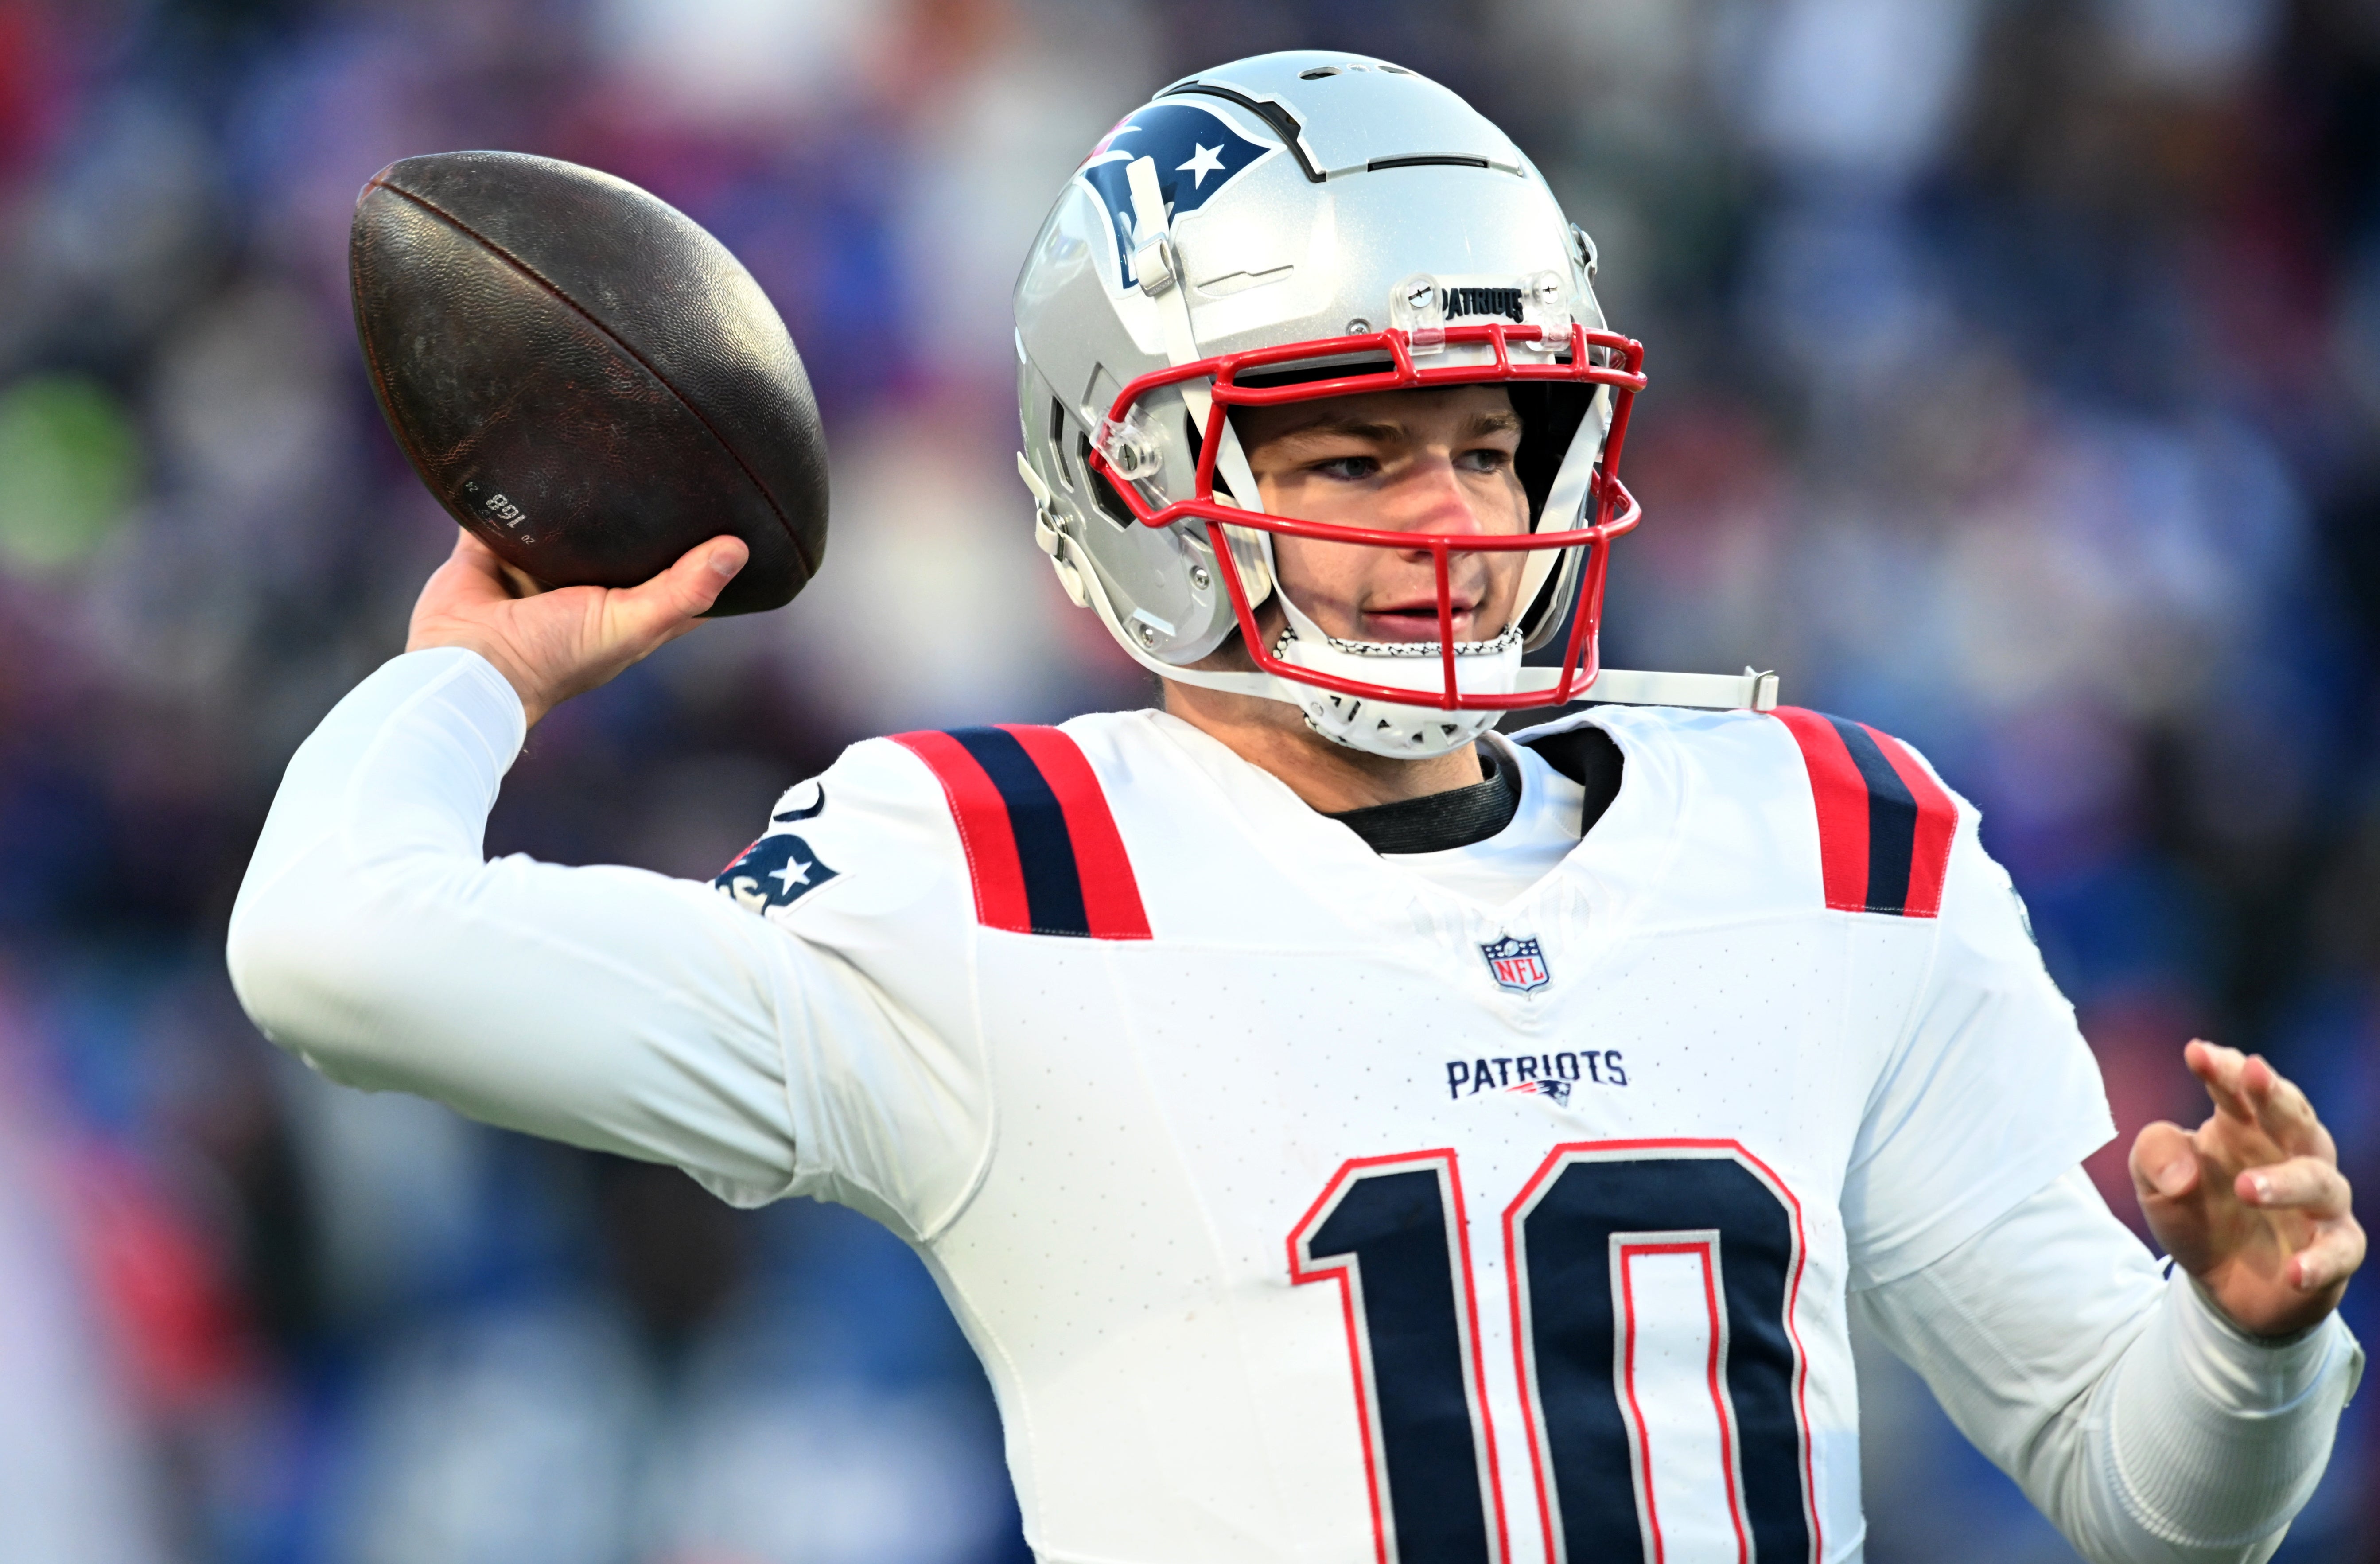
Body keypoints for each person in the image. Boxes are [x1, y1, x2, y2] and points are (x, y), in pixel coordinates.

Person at [230, 52, 2363, 1564]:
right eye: (1349, 457)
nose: (1452, 513)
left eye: (1493, 437)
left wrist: (2247, 1348)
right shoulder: (983, 871)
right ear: (1129, 482)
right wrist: (471, 680)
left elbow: (2145, 1495)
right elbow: (335, 951)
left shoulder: (1832, 838)